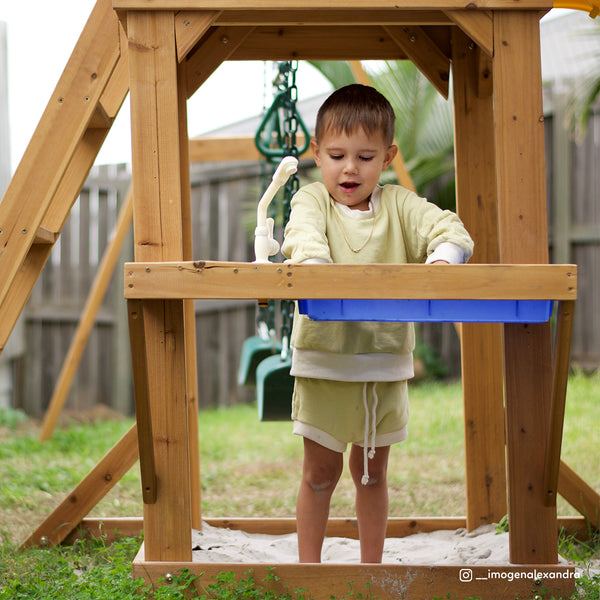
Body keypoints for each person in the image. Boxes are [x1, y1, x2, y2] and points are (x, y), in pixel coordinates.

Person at [281, 84, 474, 564]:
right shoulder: (312, 202)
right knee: (319, 472)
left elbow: (450, 229)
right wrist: (318, 270)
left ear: (387, 157)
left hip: (384, 364)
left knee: (371, 473)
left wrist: (443, 262)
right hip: (324, 362)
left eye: (365, 156)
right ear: (316, 154)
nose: (350, 168)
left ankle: (372, 568)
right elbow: (302, 239)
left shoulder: (400, 205)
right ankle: (310, 570)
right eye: (337, 154)